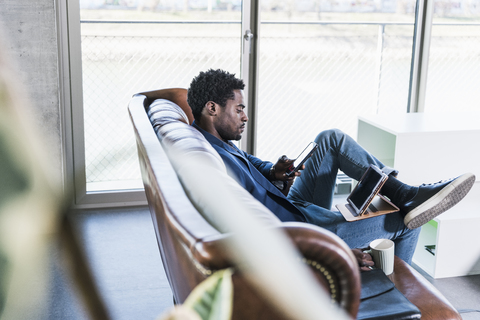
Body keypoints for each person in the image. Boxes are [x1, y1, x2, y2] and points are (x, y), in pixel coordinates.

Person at [186, 68, 475, 269]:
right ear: (212, 108)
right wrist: (328, 251)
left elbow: (250, 163)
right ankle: (396, 300)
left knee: (330, 138)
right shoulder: (210, 162)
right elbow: (254, 229)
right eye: (239, 109)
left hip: (293, 207)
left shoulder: (212, 141)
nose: (245, 116)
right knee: (406, 219)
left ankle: (403, 191)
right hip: (302, 230)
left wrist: (275, 172)